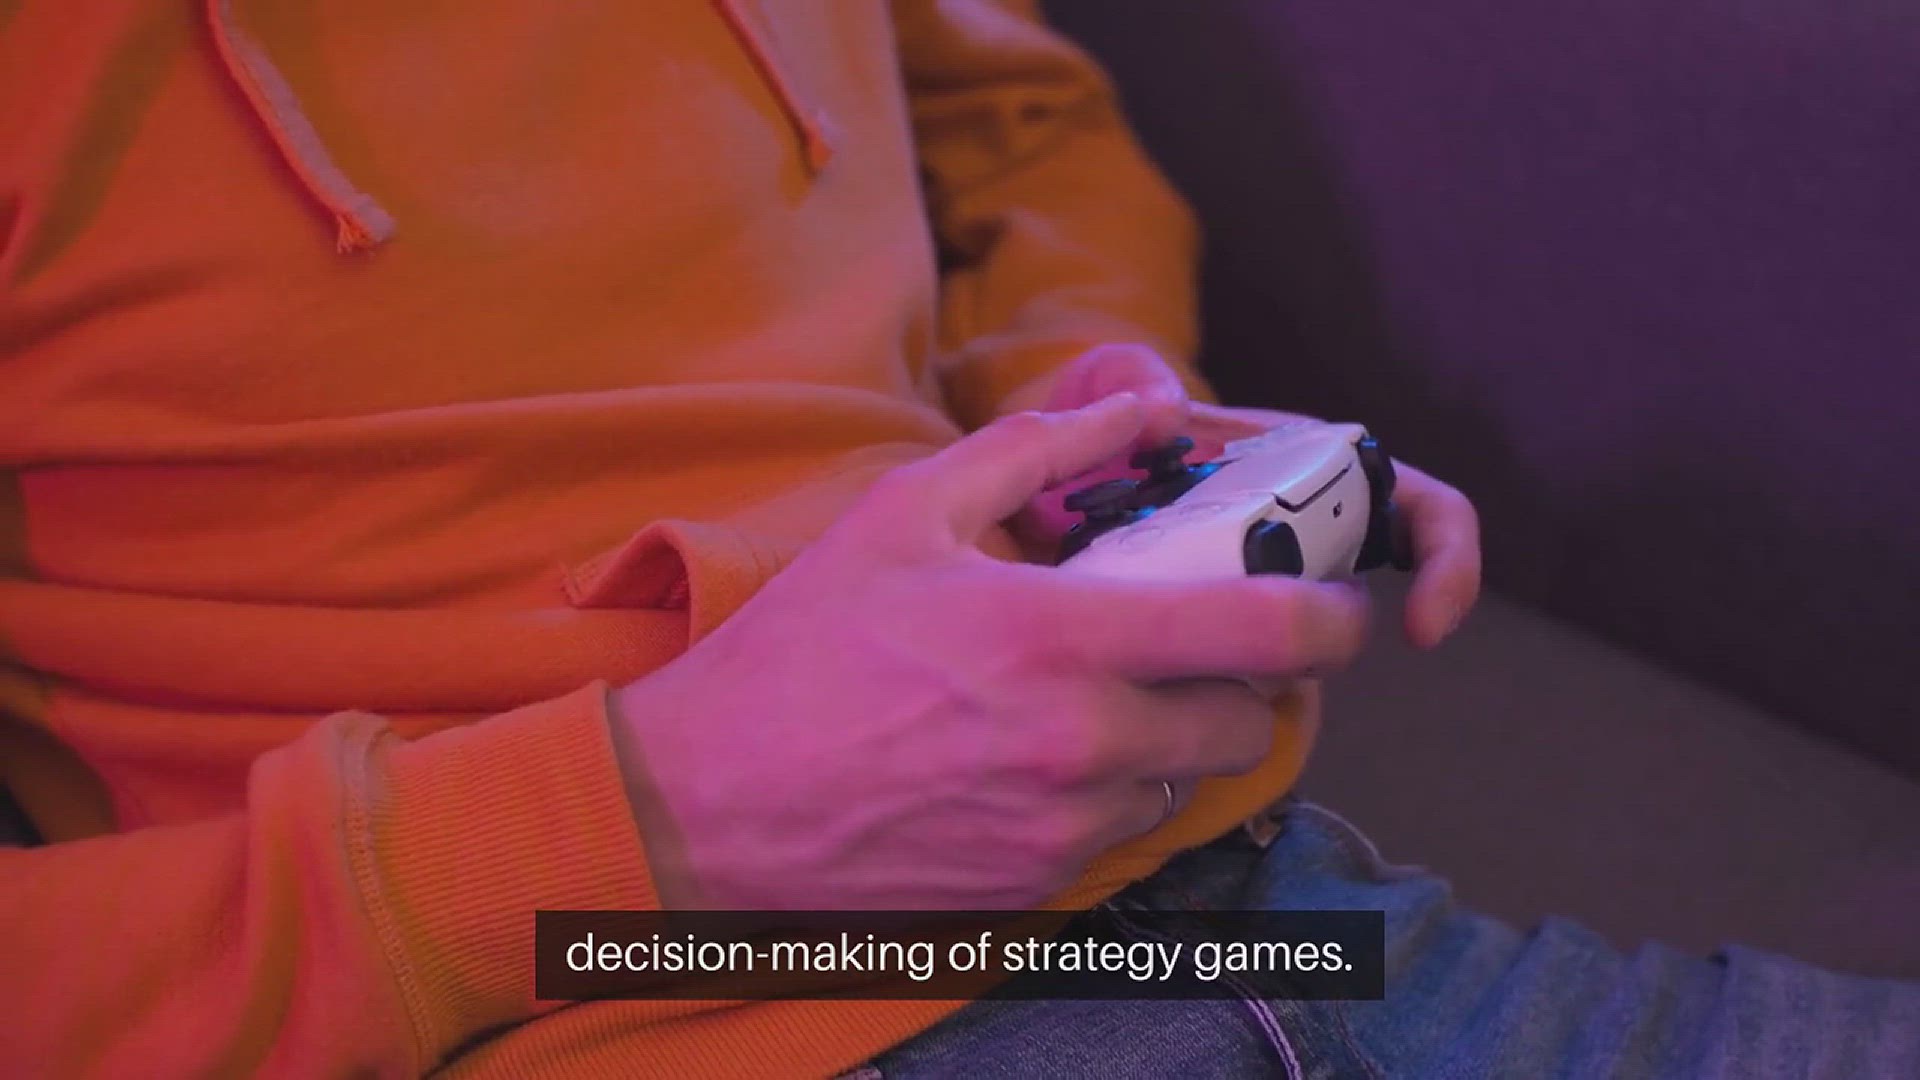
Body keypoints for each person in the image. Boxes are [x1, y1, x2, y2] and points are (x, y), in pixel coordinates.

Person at [0, 2, 1912, 1077]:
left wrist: (1082, 413)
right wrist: (642, 821)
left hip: (1252, 927)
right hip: (620, 1009)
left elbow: (1016, 121)